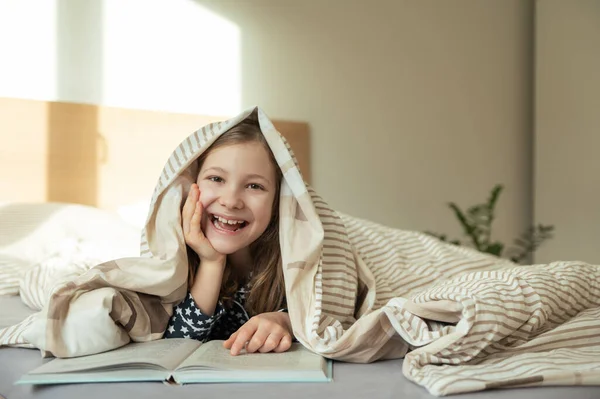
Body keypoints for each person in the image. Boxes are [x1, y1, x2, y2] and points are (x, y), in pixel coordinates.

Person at [163, 118, 293, 356]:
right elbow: (175, 346)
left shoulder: (294, 260)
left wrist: (286, 322)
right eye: (216, 179)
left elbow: (331, 316)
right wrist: (212, 262)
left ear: (278, 201)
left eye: (254, 186)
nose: (231, 201)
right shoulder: (173, 261)